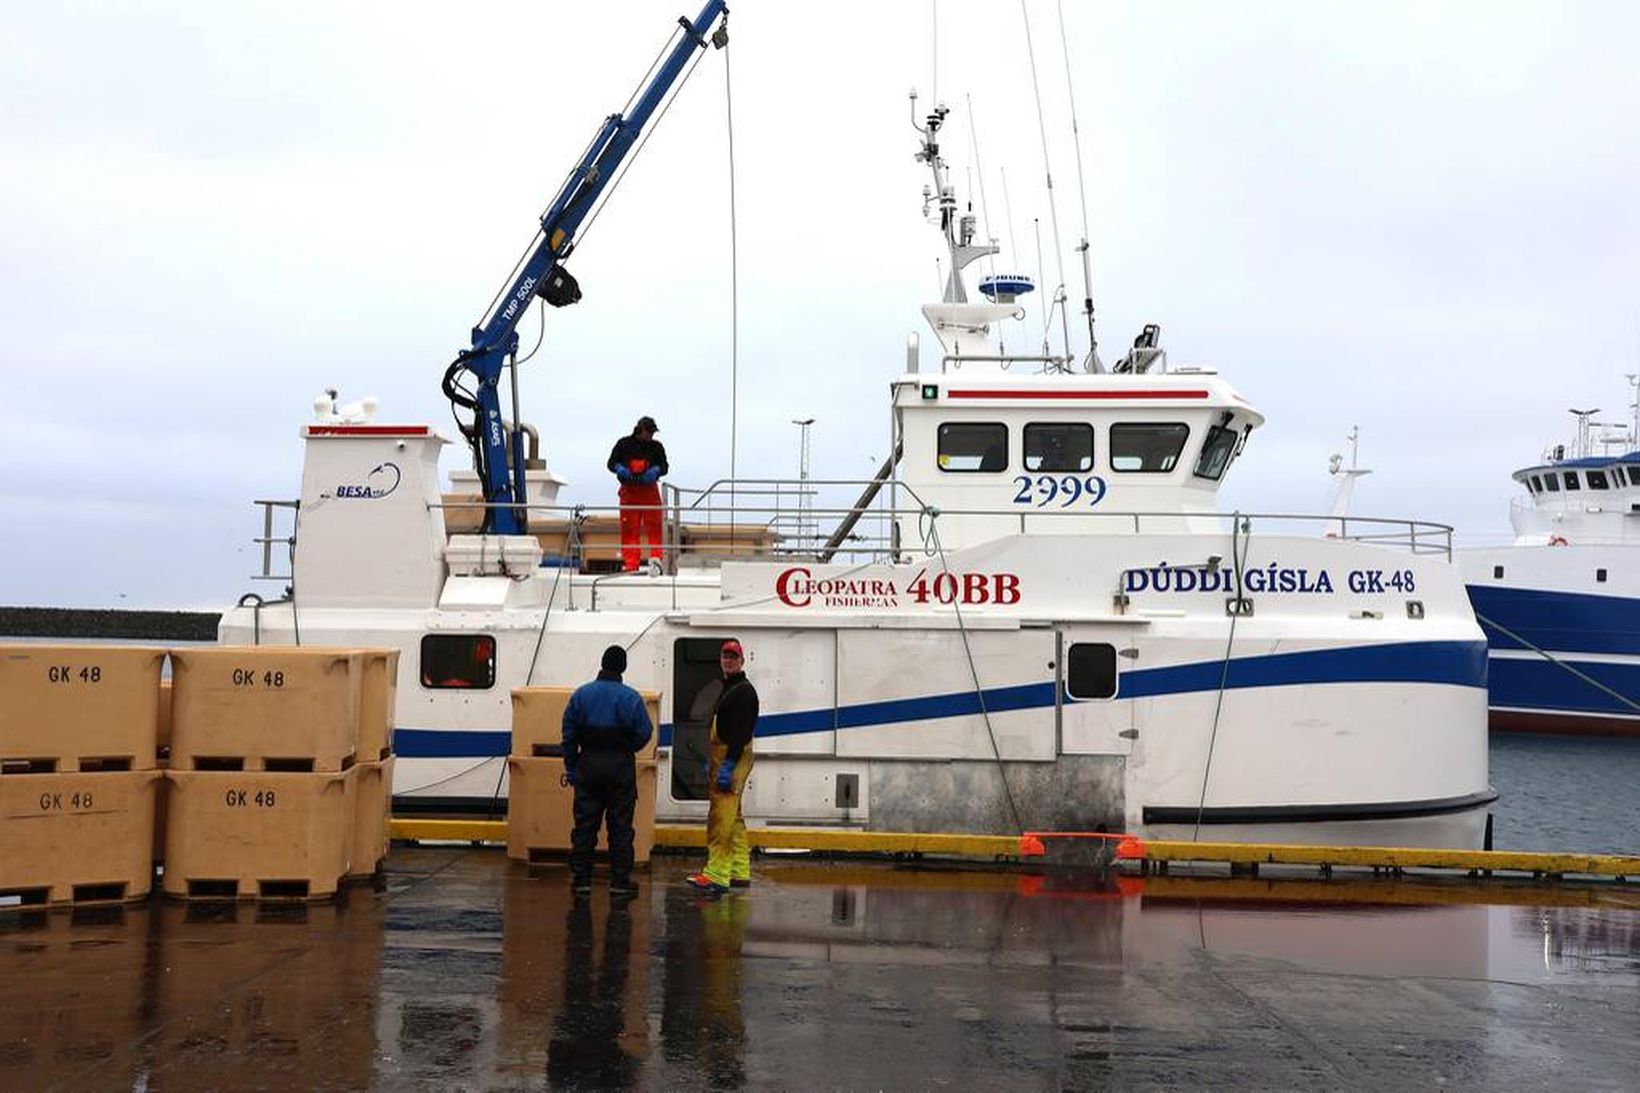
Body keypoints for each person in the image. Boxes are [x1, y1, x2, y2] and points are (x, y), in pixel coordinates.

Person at [562, 644, 654, 898]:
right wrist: (625, 749)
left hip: (588, 765)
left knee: (585, 825)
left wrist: (572, 766)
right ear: (623, 667)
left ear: (602, 664)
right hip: (620, 768)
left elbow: (568, 735)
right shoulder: (631, 698)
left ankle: (581, 881)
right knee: (621, 826)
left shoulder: (581, 695)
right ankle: (619, 883)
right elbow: (645, 733)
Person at [687, 639, 758, 893]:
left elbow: (740, 732)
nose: (728, 660)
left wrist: (728, 765)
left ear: (742, 660)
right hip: (726, 757)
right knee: (734, 817)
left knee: (721, 818)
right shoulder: (731, 687)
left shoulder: (744, 692)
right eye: (725, 656)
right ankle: (739, 871)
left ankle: (717, 874)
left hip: (733, 758)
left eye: (733, 656)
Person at [606, 415, 669, 574]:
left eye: (653, 433)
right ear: (641, 430)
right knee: (629, 530)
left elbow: (664, 467)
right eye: (649, 432)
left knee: (655, 529)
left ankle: (656, 563)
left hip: (650, 494)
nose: (651, 436)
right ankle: (631, 565)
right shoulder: (623, 444)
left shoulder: (656, 447)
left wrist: (656, 471)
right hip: (629, 493)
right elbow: (611, 463)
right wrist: (620, 468)